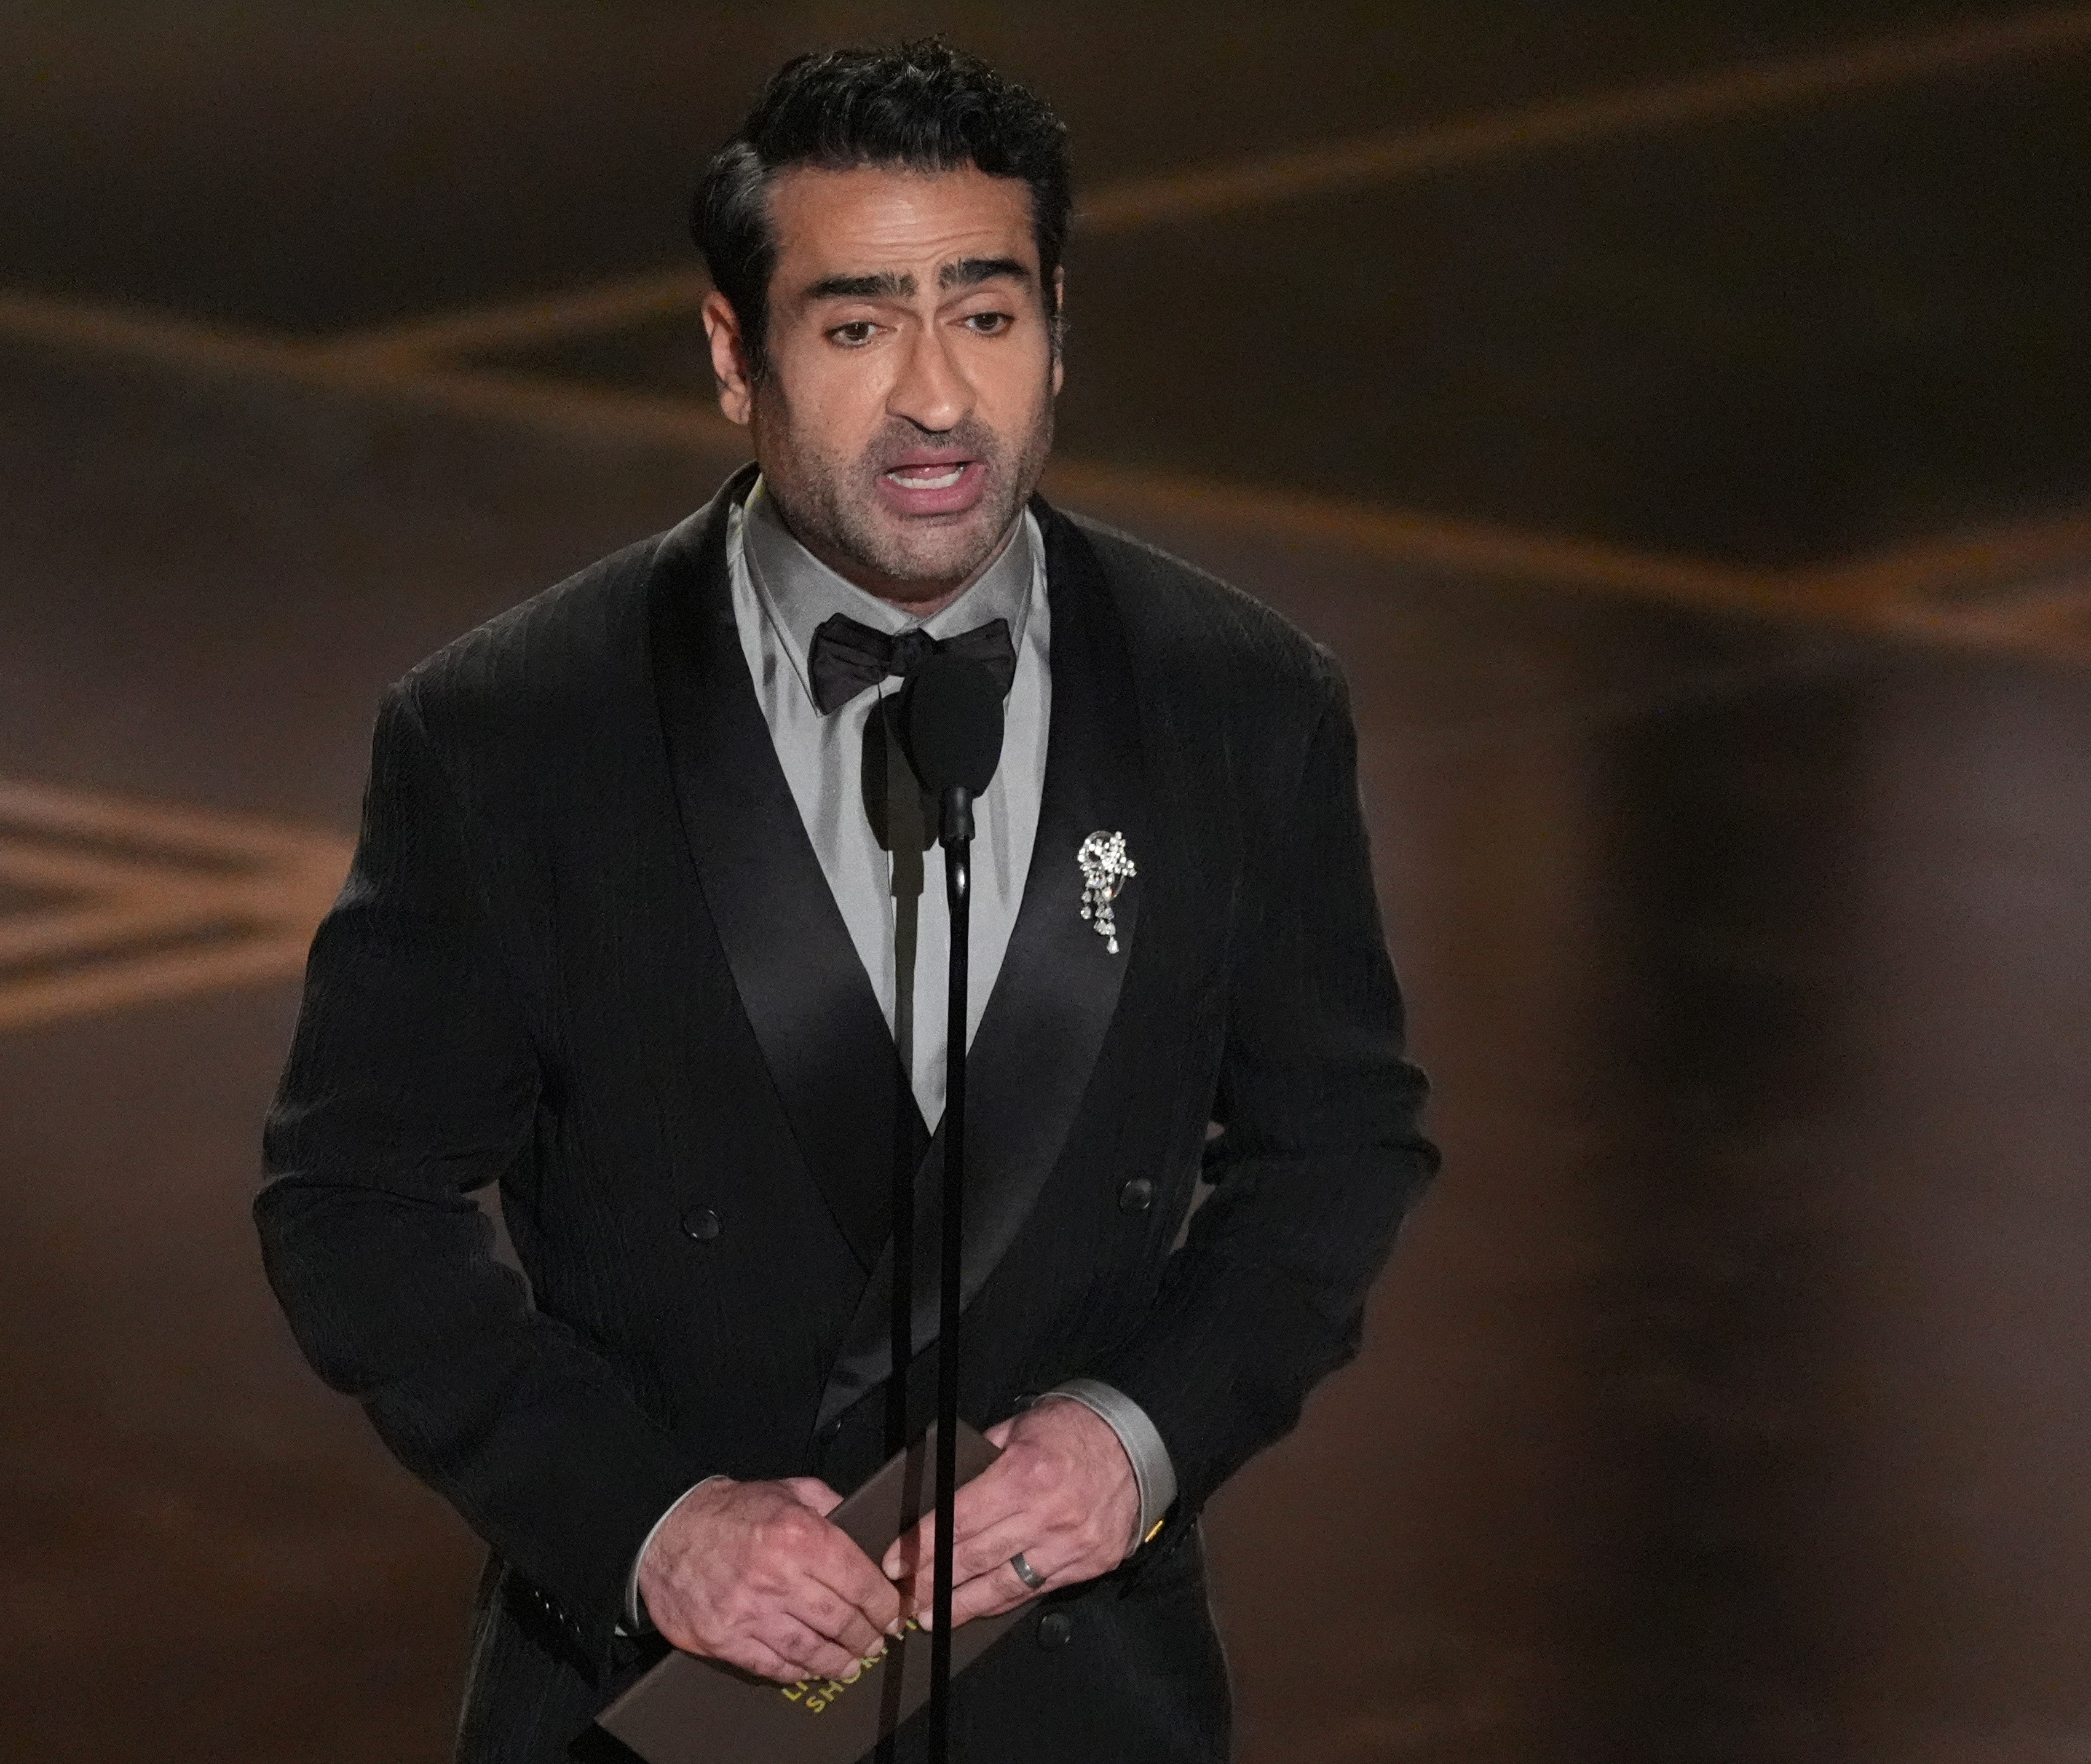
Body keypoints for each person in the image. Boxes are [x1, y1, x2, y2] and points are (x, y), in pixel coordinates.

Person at [255, 38, 1434, 1764]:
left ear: (1058, 328)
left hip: (1076, 1681)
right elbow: (352, 1201)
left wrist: (1135, 1438)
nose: (939, 400)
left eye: (988, 311)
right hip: (656, 1700)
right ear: (734, 355)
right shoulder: (511, 732)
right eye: (858, 324)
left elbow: (1337, 1148)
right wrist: (653, 1527)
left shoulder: (1239, 700)